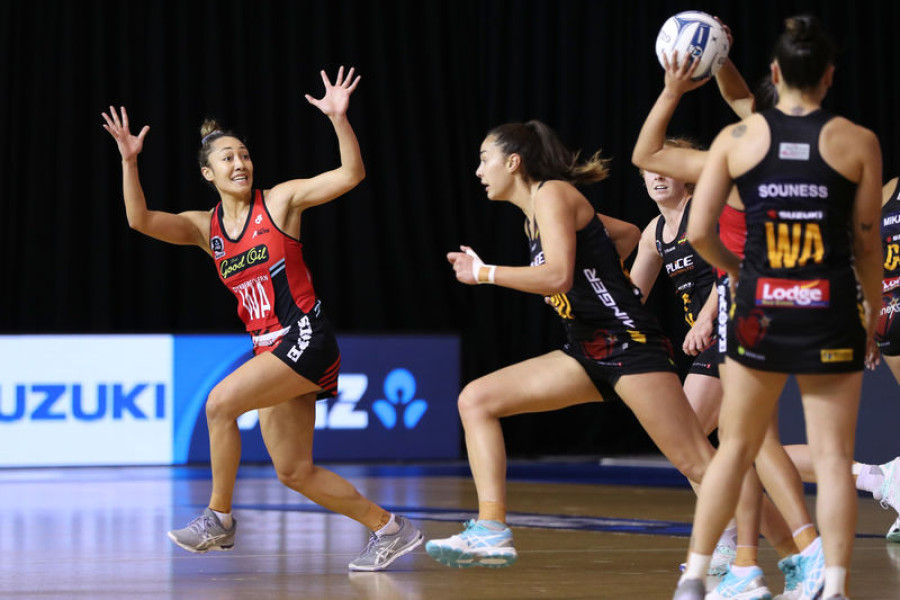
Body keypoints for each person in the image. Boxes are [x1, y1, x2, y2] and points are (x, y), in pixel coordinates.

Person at [101, 67, 423, 572]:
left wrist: (339, 119)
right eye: (228, 157)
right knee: (295, 472)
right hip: (268, 347)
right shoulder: (202, 229)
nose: (240, 163)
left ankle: (218, 520)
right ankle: (391, 528)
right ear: (208, 173)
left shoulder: (280, 201)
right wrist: (128, 162)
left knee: (219, 404)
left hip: (305, 335)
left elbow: (350, 175)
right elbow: (138, 220)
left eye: (245, 155)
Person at [424, 119, 763, 571]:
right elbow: (623, 236)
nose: (479, 170)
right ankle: (491, 529)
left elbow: (557, 276)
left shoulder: (553, 195)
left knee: (699, 462)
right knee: (477, 399)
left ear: (513, 161)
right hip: (586, 348)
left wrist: (485, 272)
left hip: (629, 345)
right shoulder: (536, 215)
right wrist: (599, 276)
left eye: (485, 159)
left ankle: (776, 550)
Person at [674, 15, 883, 600]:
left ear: (774, 72)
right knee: (835, 458)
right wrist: (868, 317)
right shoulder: (856, 140)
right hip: (829, 307)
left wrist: (740, 272)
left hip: (759, 310)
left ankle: (695, 576)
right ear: (830, 77)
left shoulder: (738, 140)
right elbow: (868, 243)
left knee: (735, 446)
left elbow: (697, 235)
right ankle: (834, 586)